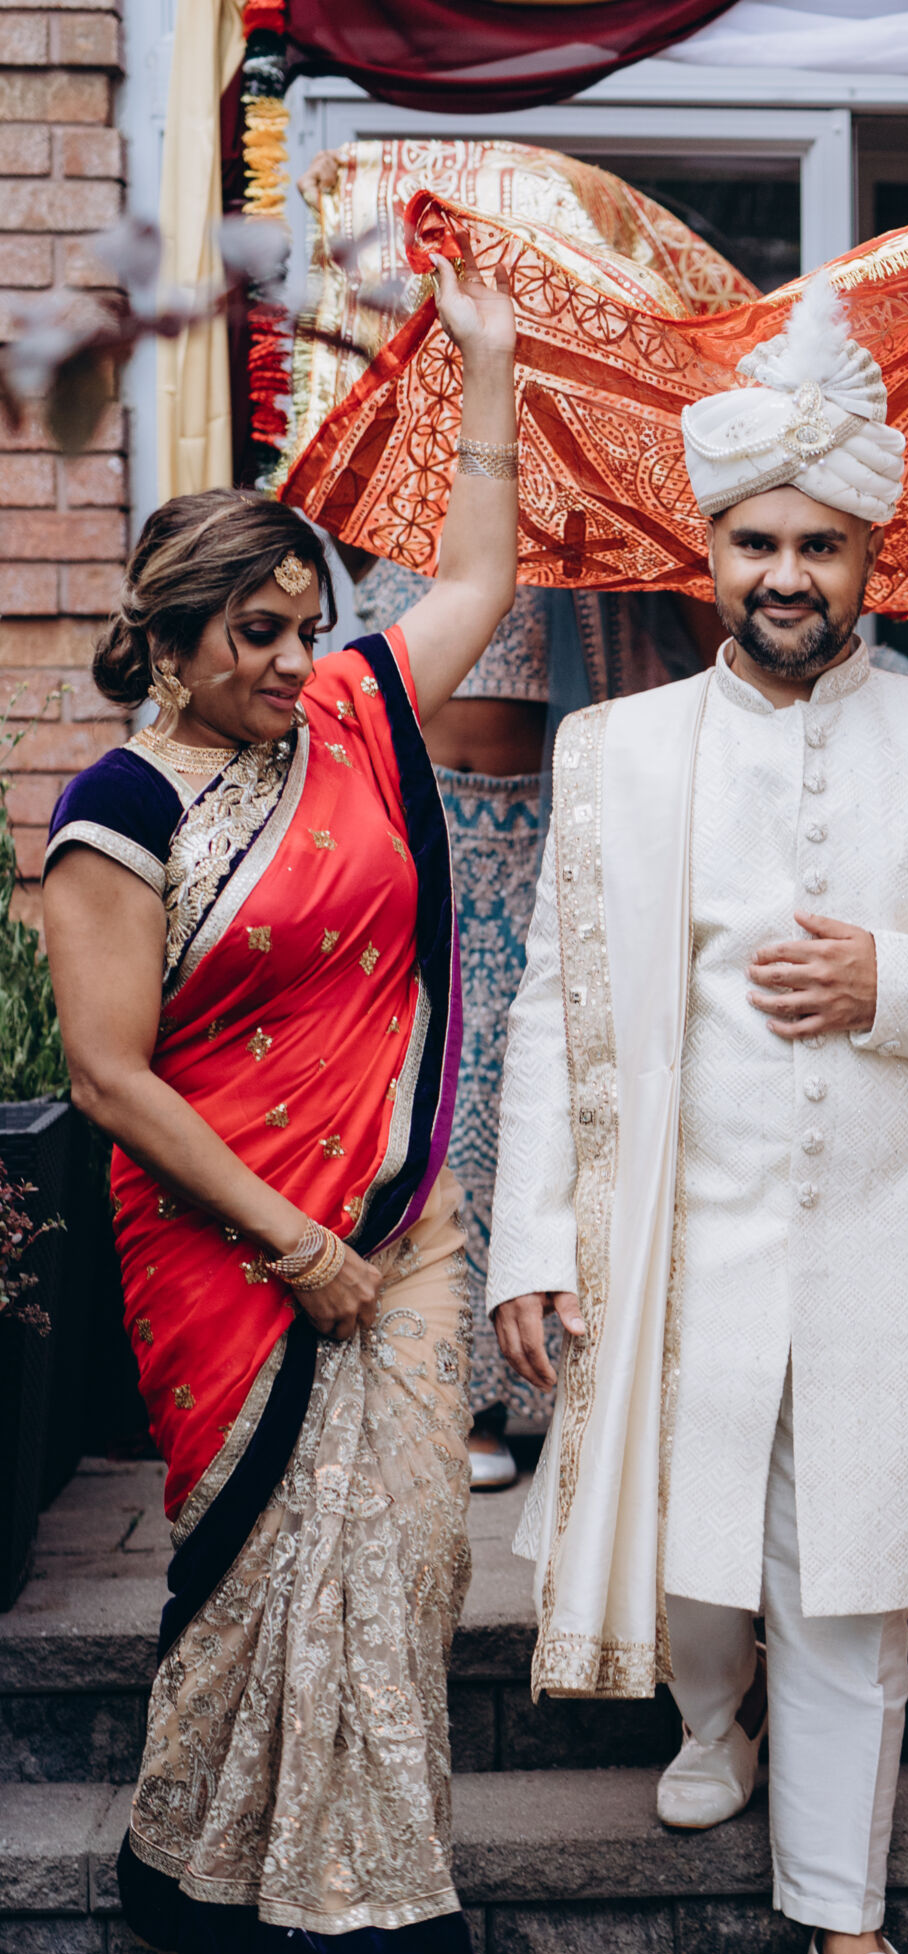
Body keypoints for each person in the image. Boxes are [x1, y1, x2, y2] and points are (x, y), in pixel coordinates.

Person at [488, 272, 908, 1954]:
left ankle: (844, 1934)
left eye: (819, 546)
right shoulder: (615, 753)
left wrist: (903, 985)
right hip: (677, 1233)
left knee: (852, 1591)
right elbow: (552, 1007)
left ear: (871, 558)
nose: (784, 574)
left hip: (888, 1244)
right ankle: (711, 1713)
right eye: (755, 541)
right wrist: (533, 1236)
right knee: (694, 1554)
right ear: (709, 554)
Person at [41, 259, 520, 1954]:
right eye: (252, 633)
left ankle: (363, 1934)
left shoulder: (356, 721)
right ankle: (233, 1936)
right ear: (171, 641)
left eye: (305, 625)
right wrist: (294, 1246)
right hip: (225, 1246)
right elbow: (108, 1075)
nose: (289, 662)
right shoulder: (121, 810)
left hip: (396, 1220)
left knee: (402, 1572)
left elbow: (477, 580)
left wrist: (487, 374)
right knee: (263, 1576)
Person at [352, 555, 555, 1492]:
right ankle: (453, 1394)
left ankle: (548, 1386)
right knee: (435, 1099)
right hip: (418, 827)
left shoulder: (582, 526)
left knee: (534, 1097)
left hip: (546, 829)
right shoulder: (393, 521)